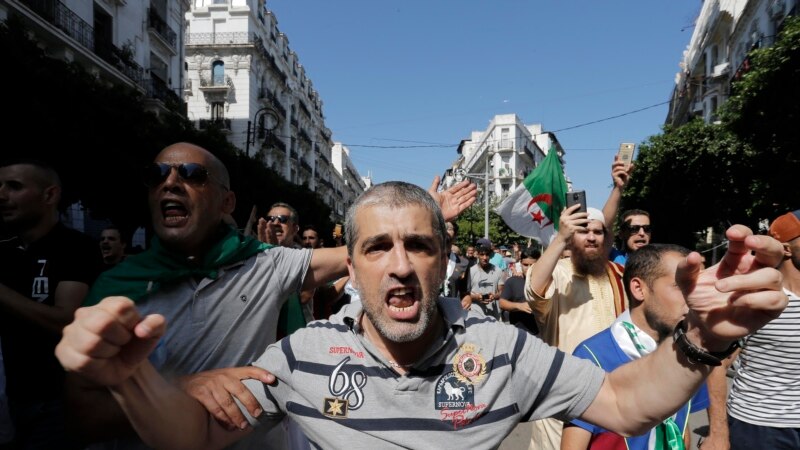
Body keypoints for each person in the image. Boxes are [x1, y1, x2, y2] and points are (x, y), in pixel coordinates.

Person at [55, 181, 786, 450]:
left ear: (444, 258)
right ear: (351, 261)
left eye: (418, 245)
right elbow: (194, 438)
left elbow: (625, 404)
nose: (399, 265)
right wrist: (132, 382)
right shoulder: (304, 354)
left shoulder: (500, 349)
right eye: (377, 247)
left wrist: (698, 341)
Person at [64, 144, 477, 449]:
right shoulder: (116, 290)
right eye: (157, 176)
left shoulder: (266, 265)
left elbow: (364, 252)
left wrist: (423, 217)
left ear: (227, 201)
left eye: (191, 174)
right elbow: (84, 417)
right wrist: (180, 389)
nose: (171, 182)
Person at [561, 244, 728, 449]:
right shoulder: (592, 355)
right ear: (639, 289)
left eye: (696, 286)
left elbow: (681, 426)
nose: (694, 298)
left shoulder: (685, 350)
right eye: (681, 286)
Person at [524, 156, 634, 450]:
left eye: (598, 232)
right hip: (563, 396)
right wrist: (560, 238)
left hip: (611, 395)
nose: (592, 237)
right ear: (572, 237)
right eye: (584, 230)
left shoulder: (616, 273)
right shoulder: (557, 272)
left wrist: (618, 189)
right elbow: (534, 291)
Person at [0, 159, 102, 449]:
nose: (1, 195)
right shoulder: (5, 252)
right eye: (0, 186)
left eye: (14, 186)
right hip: (11, 402)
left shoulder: (75, 248)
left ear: (50, 195)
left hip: (57, 404)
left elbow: (66, 321)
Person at [724, 209, 800, 449]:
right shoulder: (756, 299)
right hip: (759, 426)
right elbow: (717, 364)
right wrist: (717, 432)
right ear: (786, 248)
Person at [499, 246, 540, 334]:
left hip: (542, 334)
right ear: (520, 263)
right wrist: (519, 306)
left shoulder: (546, 282)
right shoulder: (513, 281)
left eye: (532, 265)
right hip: (519, 333)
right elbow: (502, 303)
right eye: (525, 265)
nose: (529, 268)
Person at [462, 244, 506, 317]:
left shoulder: (498, 271)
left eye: (487, 255)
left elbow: (501, 292)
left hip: (494, 314)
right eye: (482, 255)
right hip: (475, 313)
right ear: (478, 255)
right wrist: (477, 297)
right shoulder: (471, 271)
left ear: (490, 256)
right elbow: (465, 294)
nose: (484, 258)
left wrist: (494, 296)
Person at [442, 221, 469, 299]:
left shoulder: (463, 263)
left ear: (455, 236)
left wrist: (467, 297)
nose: (445, 231)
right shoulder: (426, 260)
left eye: (449, 228)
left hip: (451, 308)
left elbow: (465, 291)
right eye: (443, 227)